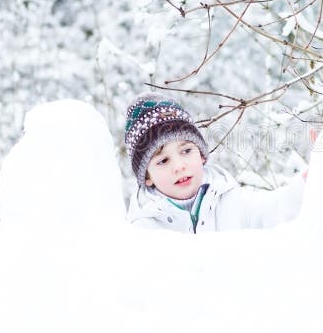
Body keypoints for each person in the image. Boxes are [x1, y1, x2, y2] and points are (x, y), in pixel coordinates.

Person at [124, 92, 306, 233]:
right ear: (147, 176)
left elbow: (272, 209)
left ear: (202, 156)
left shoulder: (229, 200)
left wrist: (307, 183)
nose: (179, 166)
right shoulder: (143, 228)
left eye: (186, 151)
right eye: (163, 160)